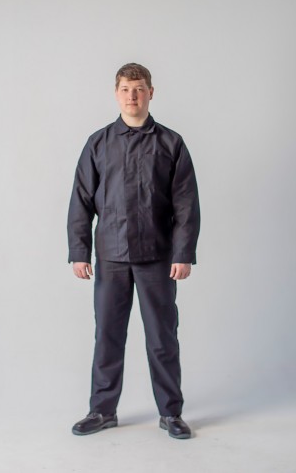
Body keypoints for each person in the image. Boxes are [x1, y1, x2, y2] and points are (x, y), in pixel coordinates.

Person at [67, 63, 200, 439]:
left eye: (139, 88)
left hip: (158, 256)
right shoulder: (98, 143)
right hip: (111, 255)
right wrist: (80, 251)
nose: (132, 96)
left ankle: (171, 413)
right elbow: (81, 200)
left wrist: (183, 253)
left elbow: (186, 203)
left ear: (151, 93)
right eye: (126, 89)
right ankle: (102, 410)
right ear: (116, 93)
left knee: (163, 337)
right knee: (107, 336)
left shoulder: (171, 143)